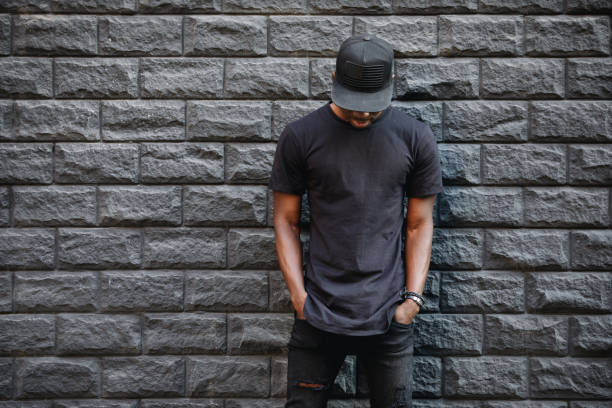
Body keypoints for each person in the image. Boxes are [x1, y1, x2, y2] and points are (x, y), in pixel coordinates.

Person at [269, 34, 443, 408]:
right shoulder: (300, 136)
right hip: (318, 312)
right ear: (334, 79)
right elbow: (284, 220)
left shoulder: (415, 138)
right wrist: (300, 298)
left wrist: (411, 300)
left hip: (388, 313)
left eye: (372, 106)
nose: (362, 114)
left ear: (391, 85)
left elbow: (419, 223)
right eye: (353, 105)